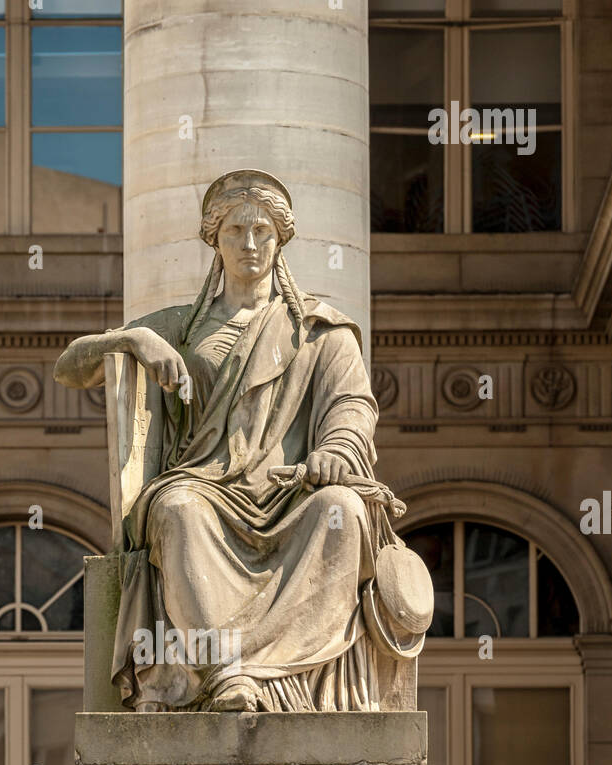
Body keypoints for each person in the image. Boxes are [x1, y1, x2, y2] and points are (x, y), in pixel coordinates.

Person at [54, 168, 407, 712]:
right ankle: (228, 673)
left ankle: (279, 668)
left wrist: (336, 452)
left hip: (292, 493)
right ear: (213, 240)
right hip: (203, 485)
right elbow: (70, 367)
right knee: (175, 510)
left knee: (339, 510)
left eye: (262, 231)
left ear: (280, 238)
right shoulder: (180, 326)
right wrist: (133, 339)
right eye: (235, 231)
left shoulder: (320, 331)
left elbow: (352, 404)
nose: (249, 244)